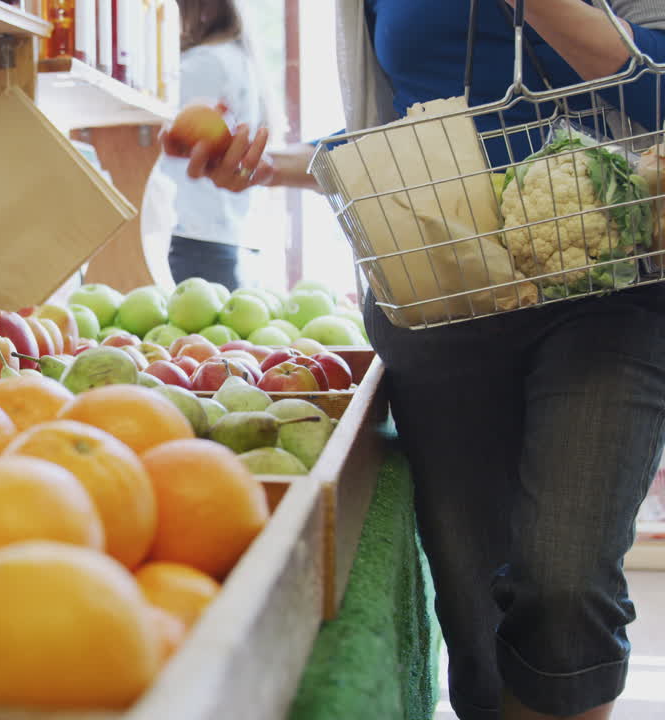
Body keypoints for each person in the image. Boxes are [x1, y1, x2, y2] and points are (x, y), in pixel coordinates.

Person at [165, 2, 665, 719]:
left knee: (567, 582)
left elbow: (656, 93)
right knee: (474, 611)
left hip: (613, 291)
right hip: (441, 298)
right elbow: (403, 132)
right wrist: (275, 164)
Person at [156, 0, 268, 291]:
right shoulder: (234, 58)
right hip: (216, 236)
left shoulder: (203, 64)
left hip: (191, 234)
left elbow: (160, 132)